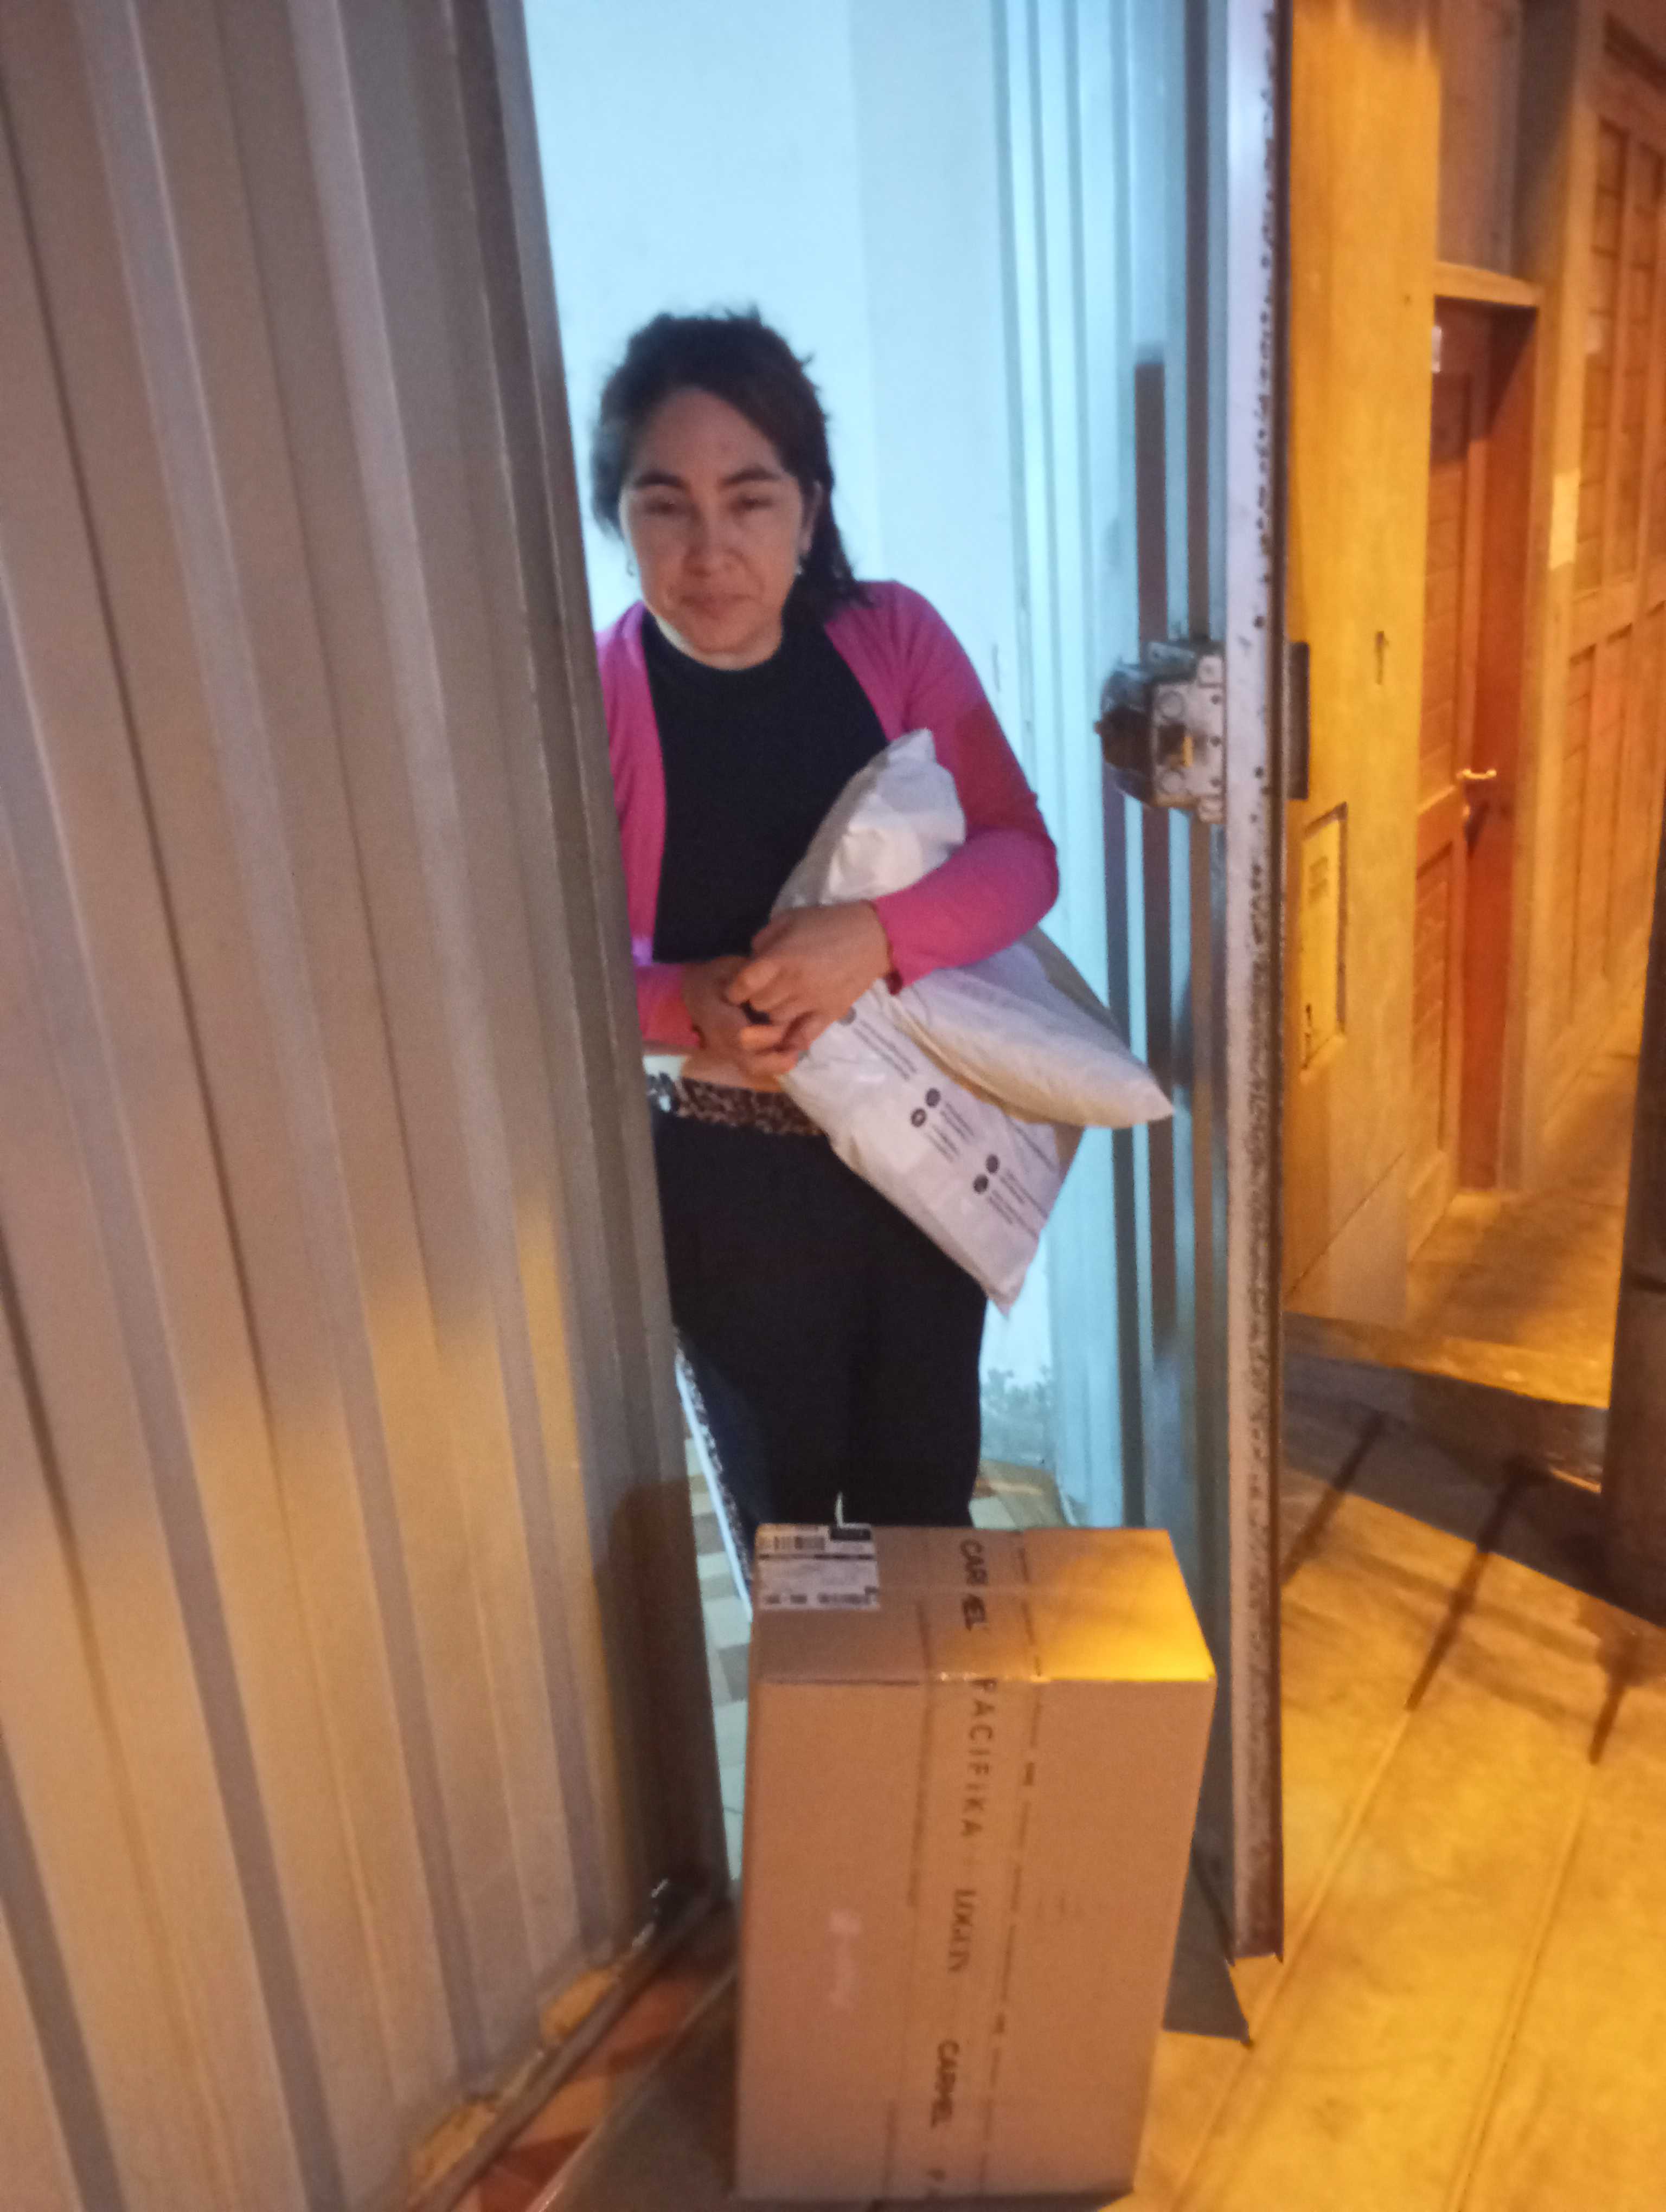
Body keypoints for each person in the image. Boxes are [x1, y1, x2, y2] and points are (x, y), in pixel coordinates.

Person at [592, 309, 1058, 1543]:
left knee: (923, 1503)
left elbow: (1022, 854)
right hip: (728, 1181)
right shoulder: (594, 696)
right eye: (664, 506)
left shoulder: (891, 637)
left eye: (749, 500)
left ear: (809, 508)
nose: (709, 550)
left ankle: (926, 1686)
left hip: (922, 1148)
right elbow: (545, 968)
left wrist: (873, 937)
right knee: (788, 1531)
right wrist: (685, 1003)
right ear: (618, 519)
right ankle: (817, 1685)